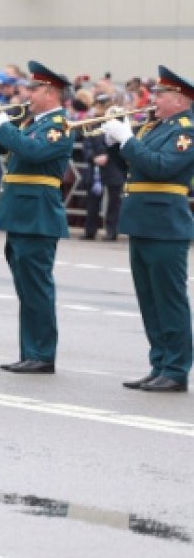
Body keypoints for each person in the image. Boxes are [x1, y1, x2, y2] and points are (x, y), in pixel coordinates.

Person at [101, 66, 194, 393]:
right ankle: (159, 364)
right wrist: (115, 143)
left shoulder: (186, 130)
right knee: (149, 299)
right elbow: (133, 165)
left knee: (169, 300)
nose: (154, 100)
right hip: (142, 220)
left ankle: (176, 368)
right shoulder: (157, 127)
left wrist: (128, 138)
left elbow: (161, 167)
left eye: (162, 95)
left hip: (166, 223)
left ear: (180, 100)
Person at [0, 61, 75, 374]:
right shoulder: (35, 123)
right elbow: (16, 151)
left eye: (33, 90)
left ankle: (42, 354)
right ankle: (30, 351)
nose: (27, 95)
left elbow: (34, 153)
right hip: (22, 213)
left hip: (38, 214)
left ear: (49, 92)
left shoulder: (59, 125)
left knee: (37, 287)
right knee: (26, 288)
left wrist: (5, 127)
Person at [82, 94, 127, 241]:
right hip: (96, 167)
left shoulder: (119, 121)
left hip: (114, 166)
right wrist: (94, 157)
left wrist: (108, 155)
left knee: (114, 202)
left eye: (104, 105)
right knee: (93, 201)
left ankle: (111, 232)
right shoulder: (93, 123)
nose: (101, 108)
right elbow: (87, 144)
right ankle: (90, 231)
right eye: (100, 105)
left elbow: (122, 143)